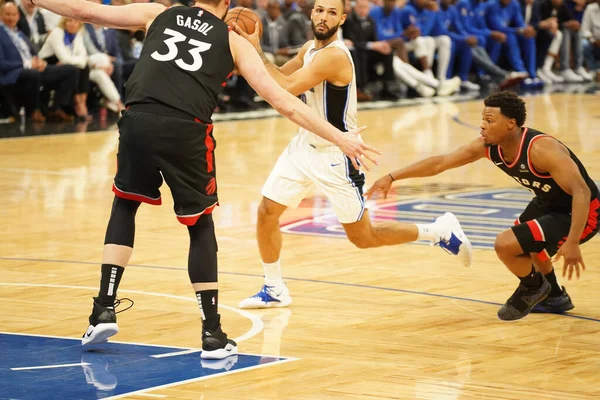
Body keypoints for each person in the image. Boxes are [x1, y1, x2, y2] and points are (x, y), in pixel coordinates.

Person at [31, 0, 379, 360]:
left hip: (139, 119)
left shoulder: (157, 13)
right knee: (199, 226)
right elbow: (284, 102)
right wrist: (341, 137)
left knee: (125, 204)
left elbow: (86, 13)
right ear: (227, 4)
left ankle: (103, 308)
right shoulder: (233, 40)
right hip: (187, 130)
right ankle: (212, 333)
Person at [233, 0, 473, 310]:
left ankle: (438, 231)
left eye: (332, 12)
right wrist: (248, 53)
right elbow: (277, 74)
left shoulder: (334, 56)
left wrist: (253, 47)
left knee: (363, 237)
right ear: (312, 12)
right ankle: (274, 288)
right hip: (304, 145)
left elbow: (287, 87)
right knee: (266, 212)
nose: (323, 16)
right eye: (320, 10)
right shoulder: (310, 48)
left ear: (342, 18)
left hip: (337, 153)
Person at [365, 91, 600, 321]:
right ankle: (554, 296)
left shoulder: (541, 149)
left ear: (511, 123)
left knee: (505, 245)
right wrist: (392, 176)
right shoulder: (487, 146)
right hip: (549, 203)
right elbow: (441, 163)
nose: (483, 126)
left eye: (489, 120)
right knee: (523, 243)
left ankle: (534, 288)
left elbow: (581, 191)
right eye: (482, 120)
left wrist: (572, 242)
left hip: (583, 210)